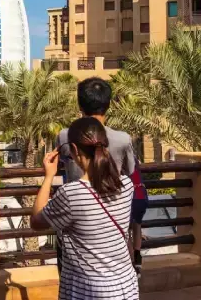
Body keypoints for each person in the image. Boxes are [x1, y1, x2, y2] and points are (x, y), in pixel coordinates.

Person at [32, 117, 138, 300]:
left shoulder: (71, 194)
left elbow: (36, 222)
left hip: (87, 290)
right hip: (125, 286)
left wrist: (48, 176)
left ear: (74, 149)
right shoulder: (126, 185)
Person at [55, 78, 138, 271]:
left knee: (71, 278)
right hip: (113, 220)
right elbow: (130, 171)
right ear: (108, 104)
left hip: (76, 218)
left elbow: (59, 163)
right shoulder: (123, 139)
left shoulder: (65, 135)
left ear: (80, 105)